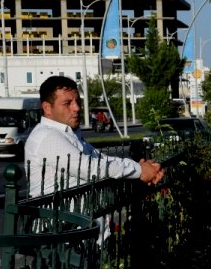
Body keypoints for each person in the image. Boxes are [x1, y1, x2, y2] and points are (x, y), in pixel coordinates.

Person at [25, 75, 164, 196]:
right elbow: (91, 168)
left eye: (77, 102)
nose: (77, 108)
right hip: (61, 218)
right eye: (67, 103)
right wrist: (140, 170)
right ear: (47, 108)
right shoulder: (46, 136)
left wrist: (142, 168)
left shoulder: (68, 133)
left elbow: (101, 159)